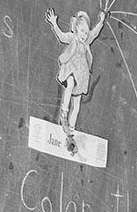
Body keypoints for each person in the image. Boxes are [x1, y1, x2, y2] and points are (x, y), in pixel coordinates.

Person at [45, 7, 106, 137]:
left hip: (82, 74)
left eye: (86, 32)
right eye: (82, 31)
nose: (84, 35)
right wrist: (54, 23)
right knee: (70, 82)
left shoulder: (87, 41)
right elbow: (61, 36)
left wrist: (101, 21)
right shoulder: (72, 38)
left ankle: (71, 131)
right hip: (71, 69)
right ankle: (64, 112)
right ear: (76, 28)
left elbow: (94, 33)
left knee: (77, 104)